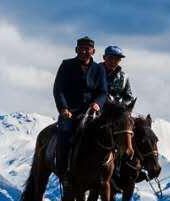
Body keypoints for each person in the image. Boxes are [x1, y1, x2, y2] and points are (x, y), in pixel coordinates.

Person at [51, 36, 109, 174]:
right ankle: (63, 170)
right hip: (70, 110)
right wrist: (63, 108)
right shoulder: (66, 65)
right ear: (76, 50)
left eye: (87, 49)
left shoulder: (99, 69)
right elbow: (58, 89)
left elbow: (103, 91)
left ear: (93, 51)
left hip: (90, 111)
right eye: (81, 49)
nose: (84, 52)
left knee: (107, 134)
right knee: (65, 134)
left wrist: (97, 104)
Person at [102, 46, 136, 111]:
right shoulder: (94, 71)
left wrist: (121, 105)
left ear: (120, 60)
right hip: (96, 107)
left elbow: (128, 97)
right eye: (110, 58)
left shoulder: (124, 77)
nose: (113, 61)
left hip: (116, 110)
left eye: (116, 59)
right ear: (104, 57)